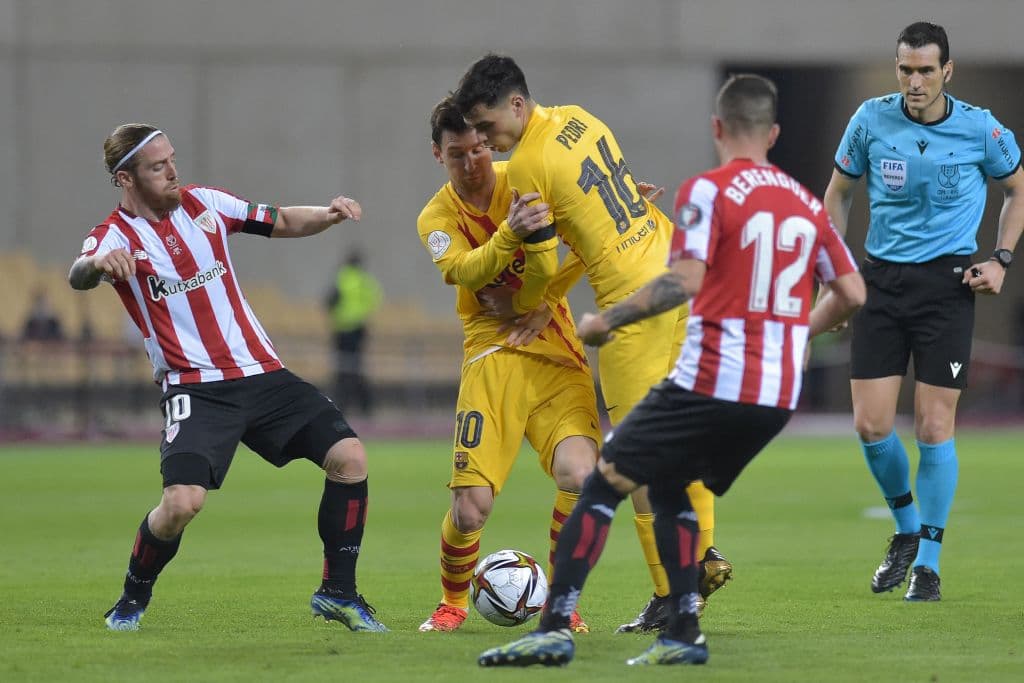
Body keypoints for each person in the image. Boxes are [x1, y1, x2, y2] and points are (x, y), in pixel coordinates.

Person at [477, 73, 865, 668]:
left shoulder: (709, 190)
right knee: (670, 475)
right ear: (776, 133)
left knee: (608, 478)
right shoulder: (806, 202)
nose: (487, 138)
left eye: (486, 126)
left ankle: (556, 626)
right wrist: (796, 330)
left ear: (716, 128)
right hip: (777, 390)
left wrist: (602, 321)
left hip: (683, 340)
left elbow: (679, 281)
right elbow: (853, 292)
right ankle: (684, 616)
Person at [69, 123, 387, 632]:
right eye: (157, 167)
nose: (173, 172)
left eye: (172, 159)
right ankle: (131, 599)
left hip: (262, 373)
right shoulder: (113, 237)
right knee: (181, 503)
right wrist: (100, 264)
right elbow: (78, 272)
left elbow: (280, 219)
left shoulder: (206, 204)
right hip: (194, 387)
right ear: (125, 179)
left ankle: (339, 593)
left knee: (350, 458)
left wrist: (326, 216)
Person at [453, 54, 731, 630]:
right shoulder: (579, 118)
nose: (484, 140)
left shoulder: (528, 161)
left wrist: (527, 305)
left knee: (638, 452)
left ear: (515, 103)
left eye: (486, 125)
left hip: (636, 303)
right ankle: (703, 555)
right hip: (676, 265)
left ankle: (672, 594)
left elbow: (540, 259)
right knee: (679, 429)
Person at [823, 21, 1023, 601]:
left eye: (925, 70)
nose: (914, 80)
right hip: (881, 283)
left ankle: (928, 566)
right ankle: (907, 530)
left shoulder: (981, 128)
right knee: (871, 425)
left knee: (935, 426)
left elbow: (1017, 189)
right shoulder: (869, 119)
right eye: (905, 69)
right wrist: (834, 276)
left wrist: (1002, 260)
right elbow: (837, 192)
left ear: (947, 72)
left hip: (947, 286)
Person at [415, 96, 600, 633]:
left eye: (478, 149)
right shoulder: (437, 216)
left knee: (581, 477)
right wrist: (511, 233)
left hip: (556, 353)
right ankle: (452, 602)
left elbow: (585, 243)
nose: (473, 163)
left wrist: (545, 302)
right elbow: (466, 272)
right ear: (437, 154)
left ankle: (562, 605)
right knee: (470, 510)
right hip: (492, 357)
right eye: (457, 154)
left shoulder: (521, 179)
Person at [325, 248, 382, 416]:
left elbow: (330, 300)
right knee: (356, 368)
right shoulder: (365, 279)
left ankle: (343, 404)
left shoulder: (343, 276)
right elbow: (375, 298)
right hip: (358, 328)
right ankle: (365, 406)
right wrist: (362, 314)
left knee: (343, 368)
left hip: (342, 328)